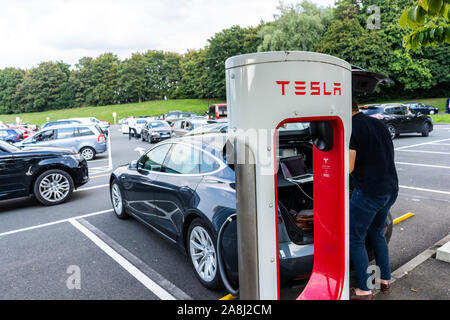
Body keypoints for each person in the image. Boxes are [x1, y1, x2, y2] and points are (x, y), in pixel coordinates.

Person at [349, 99, 399, 300]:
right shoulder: (377, 122)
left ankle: (364, 290)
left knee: (355, 239)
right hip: (390, 188)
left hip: (369, 193)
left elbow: (348, 168)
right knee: (377, 232)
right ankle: (385, 279)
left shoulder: (351, 128)